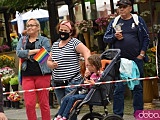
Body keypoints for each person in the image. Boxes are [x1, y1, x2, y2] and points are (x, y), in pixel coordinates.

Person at [103, 0, 150, 118]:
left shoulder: (138, 20)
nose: (121, 9)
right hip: (120, 60)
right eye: (120, 7)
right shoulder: (115, 22)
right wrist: (114, 36)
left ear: (130, 8)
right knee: (119, 88)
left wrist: (142, 54)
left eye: (124, 7)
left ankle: (138, 114)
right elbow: (105, 38)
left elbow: (146, 38)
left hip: (135, 59)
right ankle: (117, 115)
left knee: (137, 87)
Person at [47, 20, 91, 105]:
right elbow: (49, 60)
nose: (62, 32)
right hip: (57, 82)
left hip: (72, 81)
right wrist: (51, 65)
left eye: (65, 31)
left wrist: (87, 67)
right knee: (62, 106)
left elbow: (86, 52)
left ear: (70, 32)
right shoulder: (55, 44)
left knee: (69, 107)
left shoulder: (74, 42)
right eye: (61, 30)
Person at [16, 18, 51, 120]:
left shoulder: (44, 40)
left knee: (44, 103)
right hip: (27, 74)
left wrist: (26, 53)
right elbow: (18, 53)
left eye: (32, 25)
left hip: (42, 74)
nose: (30, 28)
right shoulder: (22, 40)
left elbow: (45, 55)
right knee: (29, 104)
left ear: (38, 27)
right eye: (28, 26)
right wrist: (35, 51)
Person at [54, 54, 102, 120]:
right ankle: (59, 115)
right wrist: (86, 78)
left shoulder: (100, 75)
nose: (87, 67)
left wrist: (93, 83)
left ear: (93, 66)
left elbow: (99, 85)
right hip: (87, 92)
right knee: (66, 98)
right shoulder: (92, 75)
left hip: (92, 95)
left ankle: (65, 116)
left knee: (73, 98)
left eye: (88, 65)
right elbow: (86, 85)